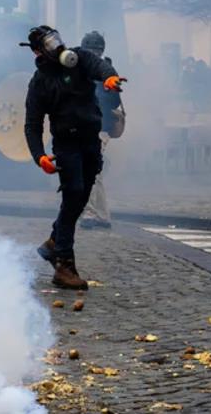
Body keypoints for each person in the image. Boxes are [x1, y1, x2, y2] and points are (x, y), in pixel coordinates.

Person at [22, 25, 125, 290]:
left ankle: (54, 242)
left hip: (90, 140)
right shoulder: (40, 82)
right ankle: (63, 266)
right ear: (37, 51)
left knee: (81, 195)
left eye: (56, 39)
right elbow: (32, 124)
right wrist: (40, 156)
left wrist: (110, 78)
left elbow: (99, 67)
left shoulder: (78, 59)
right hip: (66, 144)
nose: (55, 45)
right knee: (73, 194)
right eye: (48, 43)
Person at [79, 31, 124, 230]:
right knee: (94, 172)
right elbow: (115, 100)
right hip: (93, 126)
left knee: (89, 171)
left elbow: (114, 100)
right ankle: (103, 215)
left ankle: (89, 214)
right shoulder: (107, 69)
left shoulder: (95, 70)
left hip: (97, 126)